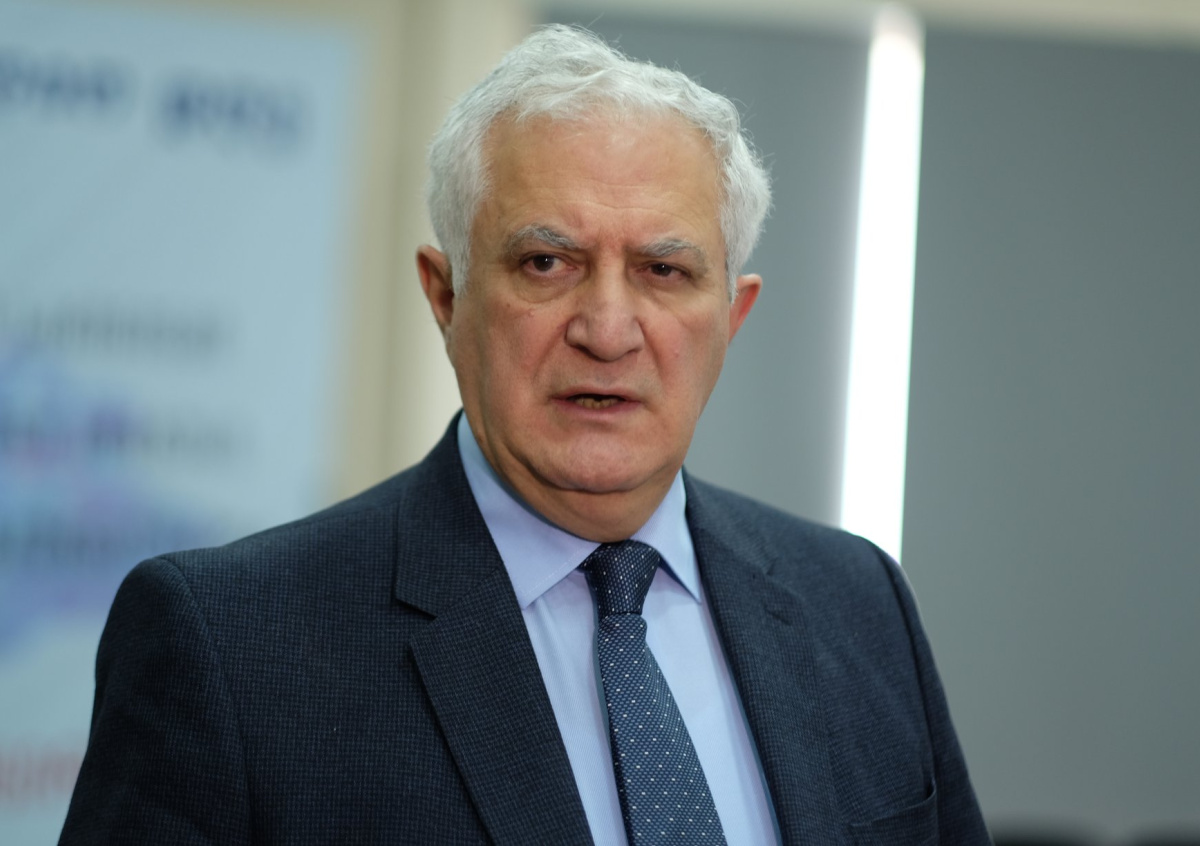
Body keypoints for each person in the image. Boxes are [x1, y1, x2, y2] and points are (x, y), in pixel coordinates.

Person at [60, 25, 990, 845]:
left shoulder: (859, 605)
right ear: (446, 295)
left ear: (732, 318)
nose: (609, 330)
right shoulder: (230, 648)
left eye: (665, 270)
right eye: (547, 263)